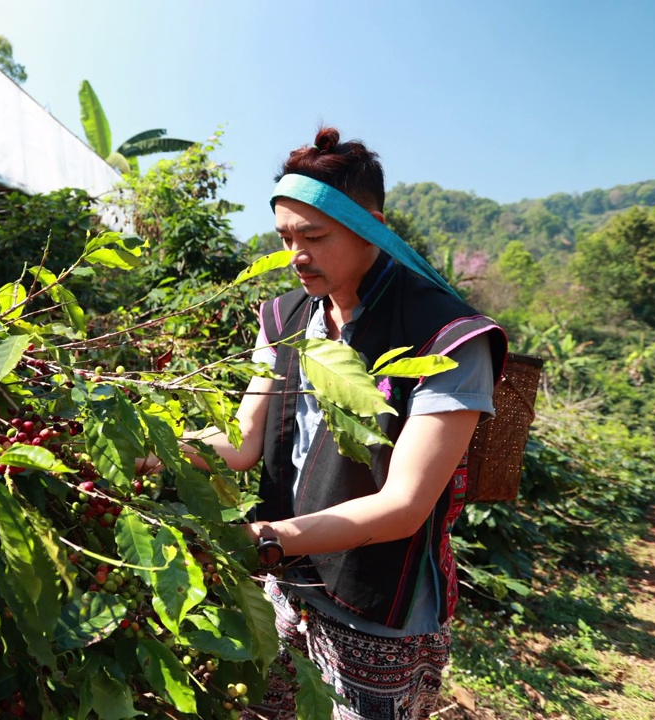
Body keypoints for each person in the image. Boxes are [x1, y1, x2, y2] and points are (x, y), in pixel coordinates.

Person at [143, 127, 508, 720]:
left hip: (377, 602)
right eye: (285, 236)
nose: (296, 255)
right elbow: (242, 442)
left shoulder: (446, 334)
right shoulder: (285, 316)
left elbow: (404, 506)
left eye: (314, 236)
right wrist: (144, 450)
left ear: (372, 225)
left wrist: (263, 541)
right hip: (288, 579)